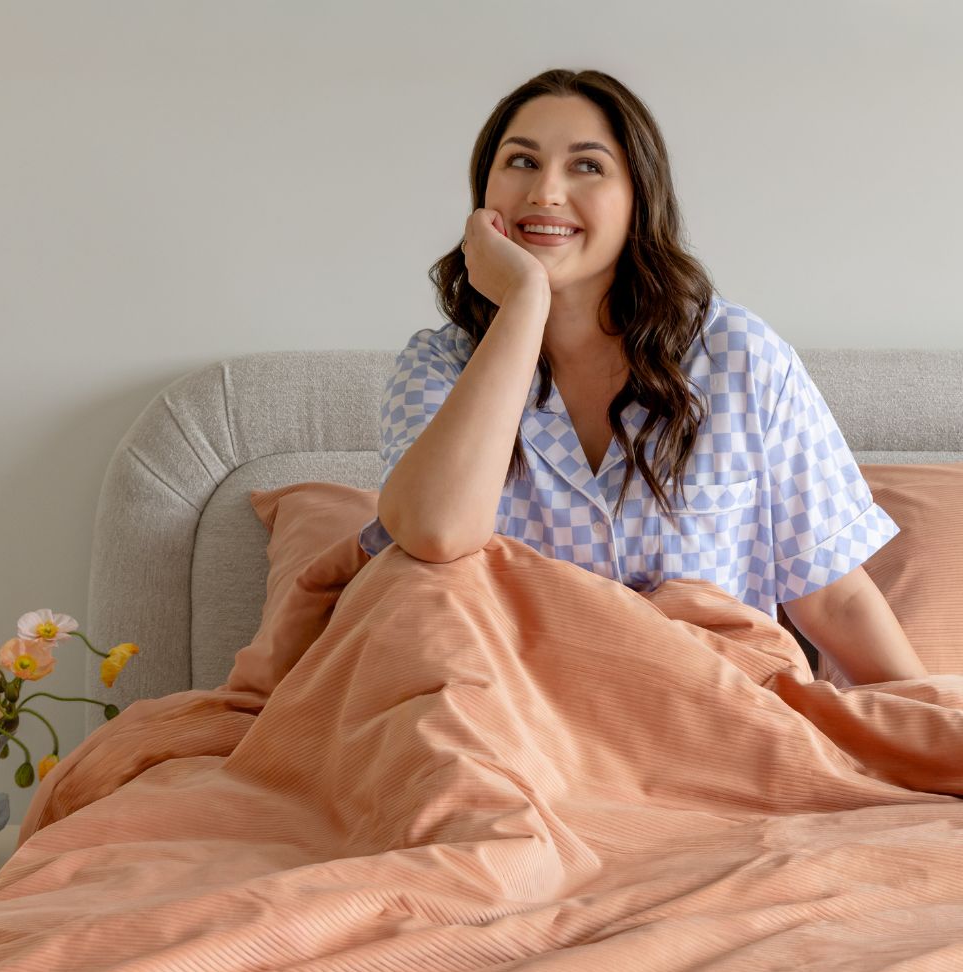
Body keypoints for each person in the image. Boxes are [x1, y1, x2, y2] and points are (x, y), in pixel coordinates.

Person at [357, 68, 927, 687]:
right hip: (514, 727)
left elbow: (834, 599)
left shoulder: (740, 359)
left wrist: (936, 735)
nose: (545, 191)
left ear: (638, 199)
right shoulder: (438, 368)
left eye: (587, 166)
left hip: (711, 718)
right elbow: (436, 532)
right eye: (521, 161)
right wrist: (524, 303)